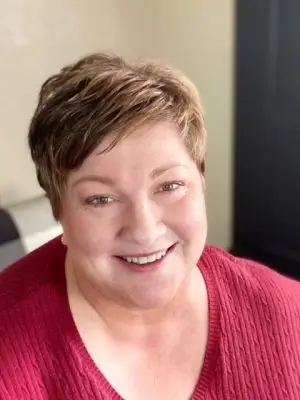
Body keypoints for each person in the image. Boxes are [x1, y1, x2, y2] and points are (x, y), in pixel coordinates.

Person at [0, 53, 299, 400]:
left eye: (169, 186)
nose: (143, 229)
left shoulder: (288, 316)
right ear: (60, 213)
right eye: (101, 199)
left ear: (201, 182)